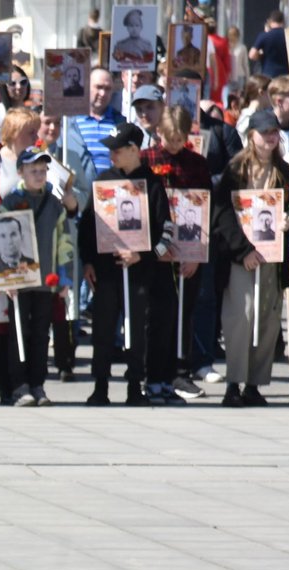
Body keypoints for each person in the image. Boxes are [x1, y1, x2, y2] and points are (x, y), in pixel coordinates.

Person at [86, 122, 176, 405]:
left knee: (136, 329)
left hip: (139, 274)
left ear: (134, 150)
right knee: (102, 328)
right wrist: (88, 260)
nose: (111, 155)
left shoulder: (152, 184)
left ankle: (135, 385)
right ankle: (100, 385)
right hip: (106, 271)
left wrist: (143, 254)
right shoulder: (103, 181)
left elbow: (167, 230)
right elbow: (88, 225)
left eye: (117, 150)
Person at [213, 110, 289, 404]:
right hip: (241, 257)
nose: (270, 137)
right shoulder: (235, 170)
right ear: (251, 135)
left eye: (274, 132)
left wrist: (288, 222)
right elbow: (222, 214)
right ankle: (234, 382)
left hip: (271, 256)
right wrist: (243, 251)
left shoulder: (284, 170)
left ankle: (254, 384)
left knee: (267, 320)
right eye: (264, 132)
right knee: (240, 317)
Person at [0, 149, 76, 405]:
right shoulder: (10, 201)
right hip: (18, 280)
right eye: (33, 171)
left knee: (41, 334)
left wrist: (64, 278)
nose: (38, 175)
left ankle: (38, 384)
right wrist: (4, 279)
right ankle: (19, 384)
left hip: (45, 281)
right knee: (19, 332)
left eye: (42, 171)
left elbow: (64, 241)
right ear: (21, 172)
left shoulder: (53, 203)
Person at [143, 107, 211, 394]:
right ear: (158, 132)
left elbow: (206, 207)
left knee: (185, 309)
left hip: (189, 244)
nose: (174, 144)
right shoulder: (148, 160)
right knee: (157, 312)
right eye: (169, 138)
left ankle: (180, 370)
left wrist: (196, 254)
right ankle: (153, 371)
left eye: (179, 138)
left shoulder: (196, 163)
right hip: (157, 247)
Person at [249, 10, 289, 78]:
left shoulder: (264, 36)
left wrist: (261, 56)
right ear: (283, 21)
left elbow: (252, 55)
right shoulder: (288, 36)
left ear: (271, 21)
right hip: (285, 74)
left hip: (268, 73)